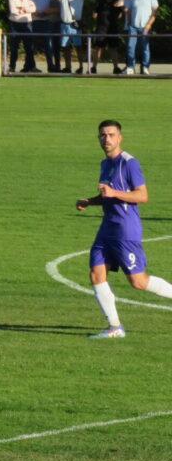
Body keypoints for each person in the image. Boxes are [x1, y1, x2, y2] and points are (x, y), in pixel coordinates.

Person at [76, 120, 172, 338]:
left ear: (120, 138)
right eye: (102, 135)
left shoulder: (129, 163)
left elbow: (142, 195)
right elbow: (108, 195)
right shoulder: (105, 163)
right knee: (96, 273)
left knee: (138, 282)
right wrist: (90, 201)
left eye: (111, 135)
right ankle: (114, 327)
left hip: (125, 230)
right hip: (107, 228)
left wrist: (113, 193)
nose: (106, 139)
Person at [115, 0, 158, 75]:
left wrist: (148, 24)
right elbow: (124, 8)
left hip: (145, 26)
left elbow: (155, 12)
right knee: (130, 47)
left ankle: (145, 67)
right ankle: (130, 67)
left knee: (145, 48)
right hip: (133, 27)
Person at [50, 0, 88, 73]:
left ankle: (80, 67)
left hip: (75, 25)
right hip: (64, 25)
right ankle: (68, 67)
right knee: (65, 47)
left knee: (78, 47)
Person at [91, 0, 123, 74]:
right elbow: (94, 14)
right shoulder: (100, 2)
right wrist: (95, 15)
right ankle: (93, 67)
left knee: (113, 49)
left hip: (113, 29)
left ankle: (116, 67)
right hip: (101, 29)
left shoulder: (117, 2)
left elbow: (120, 14)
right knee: (98, 48)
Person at [7, 0, 36, 73]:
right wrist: (24, 10)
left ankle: (29, 67)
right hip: (15, 25)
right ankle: (12, 66)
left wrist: (22, 9)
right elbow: (13, 10)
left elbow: (33, 9)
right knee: (14, 47)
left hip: (27, 24)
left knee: (29, 47)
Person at [28, 0, 54, 72]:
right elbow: (27, 7)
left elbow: (51, 7)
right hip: (34, 22)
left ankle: (51, 66)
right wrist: (35, 13)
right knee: (32, 46)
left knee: (48, 46)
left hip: (45, 22)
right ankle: (31, 66)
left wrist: (44, 14)